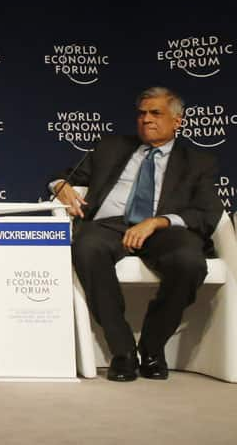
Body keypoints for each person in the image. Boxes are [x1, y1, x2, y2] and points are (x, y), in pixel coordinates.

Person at [51, 86, 223, 382]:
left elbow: (207, 213)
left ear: (177, 121)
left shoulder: (198, 162)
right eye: (142, 113)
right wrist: (60, 185)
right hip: (110, 225)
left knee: (189, 263)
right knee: (87, 247)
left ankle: (153, 347)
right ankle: (123, 351)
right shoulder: (110, 147)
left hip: (164, 230)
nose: (146, 119)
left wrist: (158, 222)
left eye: (156, 113)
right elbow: (67, 176)